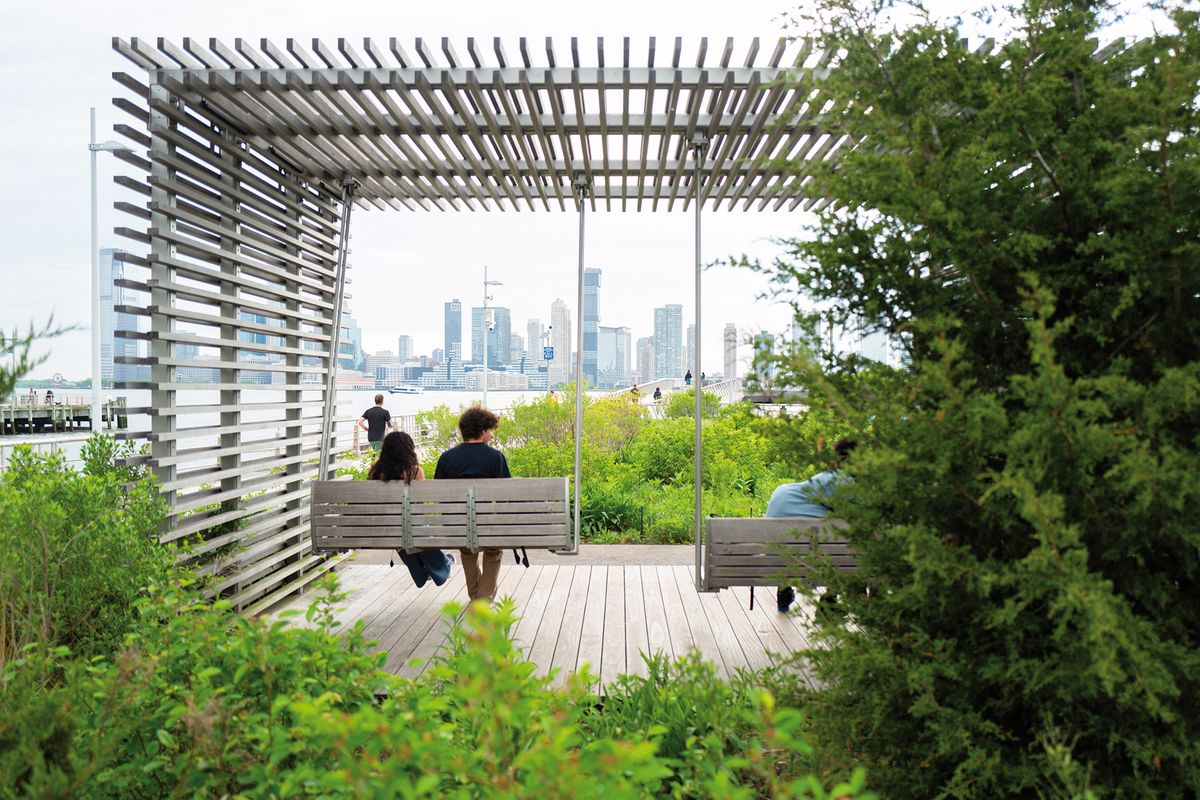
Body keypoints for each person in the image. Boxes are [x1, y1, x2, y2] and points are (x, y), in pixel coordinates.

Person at [766, 437, 856, 613]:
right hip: (816, 555)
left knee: (799, 539)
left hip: (778, 556)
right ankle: (829, 599)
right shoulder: (841, 480)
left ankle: (784, 587)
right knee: (842, 541)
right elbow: (865, 512)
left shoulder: (789, 489)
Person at [434, 406, 511, 602]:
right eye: (491, 430)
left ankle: (477, 597)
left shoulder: (447, 458)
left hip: (457, 525)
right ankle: (484, 599)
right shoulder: (495, 457)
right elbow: (506, 495)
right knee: (493, 551)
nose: (492, 435)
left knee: (467, 550)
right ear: (483, 430)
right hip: (487, 525)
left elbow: (438, 494)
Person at [369, 431, 454, 587]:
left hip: (385, 528)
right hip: (413, 526)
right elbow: (420, 506)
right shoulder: (414, 471)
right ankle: (443, 565)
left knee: (404, 532)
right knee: (417, 528)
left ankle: (420, 572)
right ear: (408, 449)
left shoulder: (376, 472)